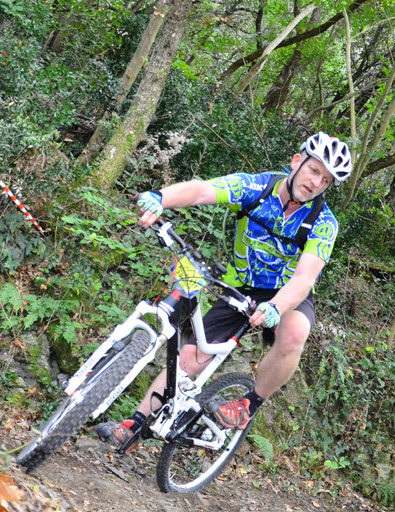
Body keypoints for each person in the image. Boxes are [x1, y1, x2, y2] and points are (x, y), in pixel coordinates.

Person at [96, 131, 352, 445]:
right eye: (314, 170)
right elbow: (204, 190)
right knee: (189, 359)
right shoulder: (257, 187)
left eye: (326, 180)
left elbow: (304, 278)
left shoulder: (323, 222)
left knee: (295, 334)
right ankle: (134, 426)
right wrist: (162, 198)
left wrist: (276, 307)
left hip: (286, 293)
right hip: (241, 286)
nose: (316, 182)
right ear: (297, 161)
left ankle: (249, 403)